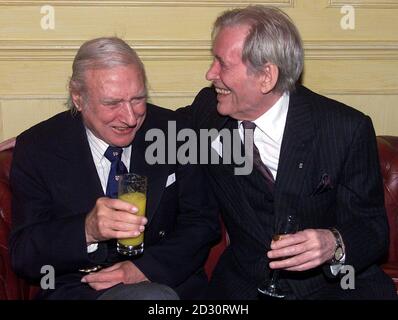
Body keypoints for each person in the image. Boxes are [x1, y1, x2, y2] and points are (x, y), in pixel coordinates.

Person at [181, 5, 397, 299]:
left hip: (332, 288)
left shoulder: (345, 129)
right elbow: (153, 129)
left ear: (266, 76)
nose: (210, 74)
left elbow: (372, 230)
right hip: (245, 286)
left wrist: (333, 242)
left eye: (222, 64)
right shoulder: (208, 112)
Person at [9, 37, 219, 300]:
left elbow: (202, 223)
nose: (130, 118)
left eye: (138, 99)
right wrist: (87, 229)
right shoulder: (39, 148)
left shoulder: (174, 134)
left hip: (168, 284)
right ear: (78, 98)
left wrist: (144, 269)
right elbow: (25, 254)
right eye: (112, 104)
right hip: (79, 289)